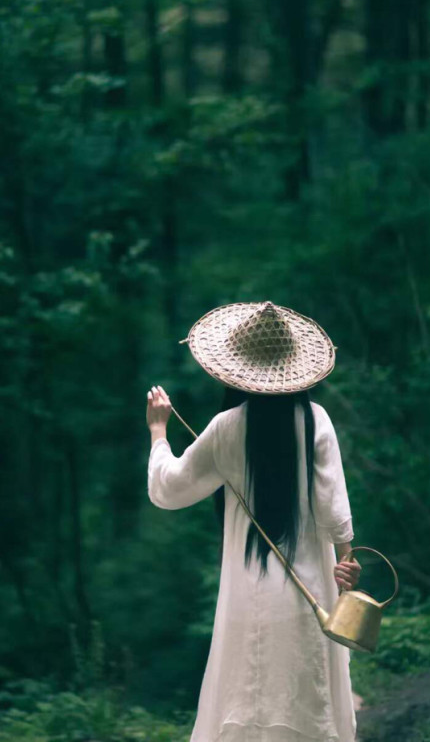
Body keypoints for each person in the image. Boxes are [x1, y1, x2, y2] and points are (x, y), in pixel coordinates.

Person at [146, 300, 361, 742]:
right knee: (307, 705)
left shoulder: (226, 427)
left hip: (248, 595)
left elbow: (169, 489)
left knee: (249, 699)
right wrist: (347, 563)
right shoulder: (315, 420)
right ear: (294, 368)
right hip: (310, 596)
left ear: (235, 370)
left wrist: (158, 432)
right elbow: (334, 509)